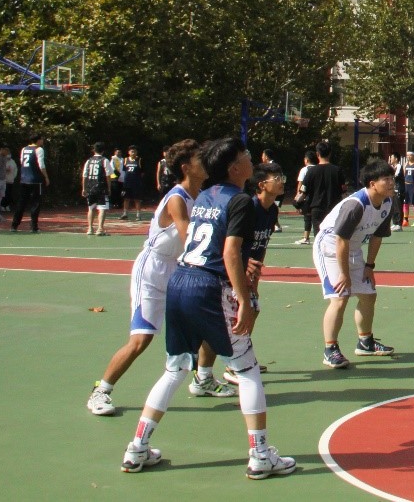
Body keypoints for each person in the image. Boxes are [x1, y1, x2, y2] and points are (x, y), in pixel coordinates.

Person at [119, 137, 297, 478]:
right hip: (211, 287)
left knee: (174, 369)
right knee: (247, 371)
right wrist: (244, 300)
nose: (251, 158)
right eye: (245, 155)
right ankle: (260, 455)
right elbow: (229, 253)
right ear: (235, 167)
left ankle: (137, 447)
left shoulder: (203, 196)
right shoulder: (240, 201)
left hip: (180, 281)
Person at [87, 140, 236, 416]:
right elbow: (190, 239)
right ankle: (101, 390)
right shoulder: (177, 198)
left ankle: (203, 379)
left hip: (178, 270)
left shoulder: (202, 196)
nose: (205, 162)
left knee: (207, 323)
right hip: (152, 270)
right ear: (186, 168)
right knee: (141, 339)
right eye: (199, 159)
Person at [314, 158, 397, 369]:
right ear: (372, 184)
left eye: (392, 178)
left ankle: (365, 342)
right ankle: (330, 349)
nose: (391, 182)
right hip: (330, 247)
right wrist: (344, 274)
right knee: (339, 297)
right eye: (386, 179)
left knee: (369, 295)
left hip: (353, 247)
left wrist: (370, 266)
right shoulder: (355, 205)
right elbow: (340, 239)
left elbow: (378, 235)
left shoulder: (387, 202)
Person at [302, 141, 344, 242]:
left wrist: (298, 204)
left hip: (317, 208)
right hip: (334, 208)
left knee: (319, 237)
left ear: (317, 154)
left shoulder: (311, 171)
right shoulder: (337, 170)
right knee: (334, 236)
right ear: (330, 153)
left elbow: (303, 192)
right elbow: (344, 191)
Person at [12, 133, 49, 232]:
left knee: (22, 203)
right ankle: (34, 227)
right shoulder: (39, 149)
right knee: (35, 203)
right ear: (38, 140)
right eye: (42, 139)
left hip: (24, 179)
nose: (43, 141)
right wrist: (46, 177)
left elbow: (22, 162)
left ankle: (14, 225)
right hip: (36, 180)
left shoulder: (24, 149)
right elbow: (41, 165)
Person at [82, 142, 114, 236]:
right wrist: (109, 188)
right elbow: (108, 175)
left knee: (91, 208)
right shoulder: (104, 160)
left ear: (93, 150)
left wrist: (84, 188)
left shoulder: (89, 161)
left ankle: (90, 228)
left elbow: (84, 176)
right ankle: (100, 228)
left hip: (90, 187)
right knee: (102, 208)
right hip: (101, 187)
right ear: (103, 151)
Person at [293, 149, 316, 244]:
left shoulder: (304, 169)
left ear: (306, 160)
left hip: (307, 196)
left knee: (307, 217)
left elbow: (301, 183)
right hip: (318, 196)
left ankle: (306, 238)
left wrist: (297, 195)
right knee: (317, 218)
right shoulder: (319, 168)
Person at [398, 151, 414, 228]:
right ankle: (405, 220)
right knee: (405, 203)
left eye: (410, 155)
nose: (408, 157)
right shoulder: (406, 164)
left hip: (413, 185)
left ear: (413, 156)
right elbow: (403, 174)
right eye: (407, 155)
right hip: (406, 185)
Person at [122, 146, 145, 221]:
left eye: (134, 151)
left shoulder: (139, 160)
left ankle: (138, 215)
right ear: (129, 152)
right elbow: (124, 171)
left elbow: (142, 172)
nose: (133, 153)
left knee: (137, 199)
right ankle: (125, 214)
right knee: (126, 198)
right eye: (132, 151)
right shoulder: (125, 160)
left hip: (136, 183)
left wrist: (138, 179)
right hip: (127, 183)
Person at [109, 148, 126, 216]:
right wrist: (115, 175)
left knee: (120, 190)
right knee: (115, 190)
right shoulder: (113, 159)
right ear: (115, 153)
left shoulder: (123, 159)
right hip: (114, 176)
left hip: (122, 176)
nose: (119, 153)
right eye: (117, 152)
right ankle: (114, 203)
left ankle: (120, 203)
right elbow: (112, 168)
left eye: (120, 152)